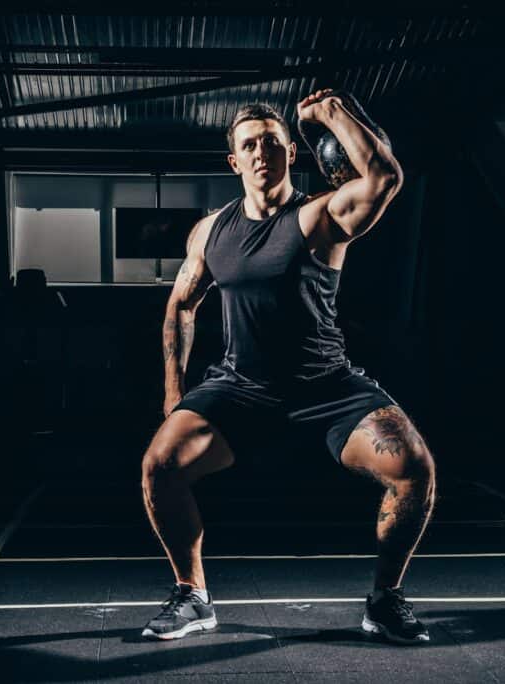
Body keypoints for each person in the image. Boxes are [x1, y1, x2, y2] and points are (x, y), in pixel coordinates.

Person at [140, 89, 436, 644]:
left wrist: (331, 114)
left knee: (413, 467)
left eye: (271, 144)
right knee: (160, 465)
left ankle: (385, 599)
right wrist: (173, 393)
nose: (260, 154)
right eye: (249, 146)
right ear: (234, 160)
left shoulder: (321, 214)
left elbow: (384, 179)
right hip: (238, 388)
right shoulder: (209, 231)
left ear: (290, 154)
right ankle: (192, 596)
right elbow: (181, 304)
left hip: (325, 385)